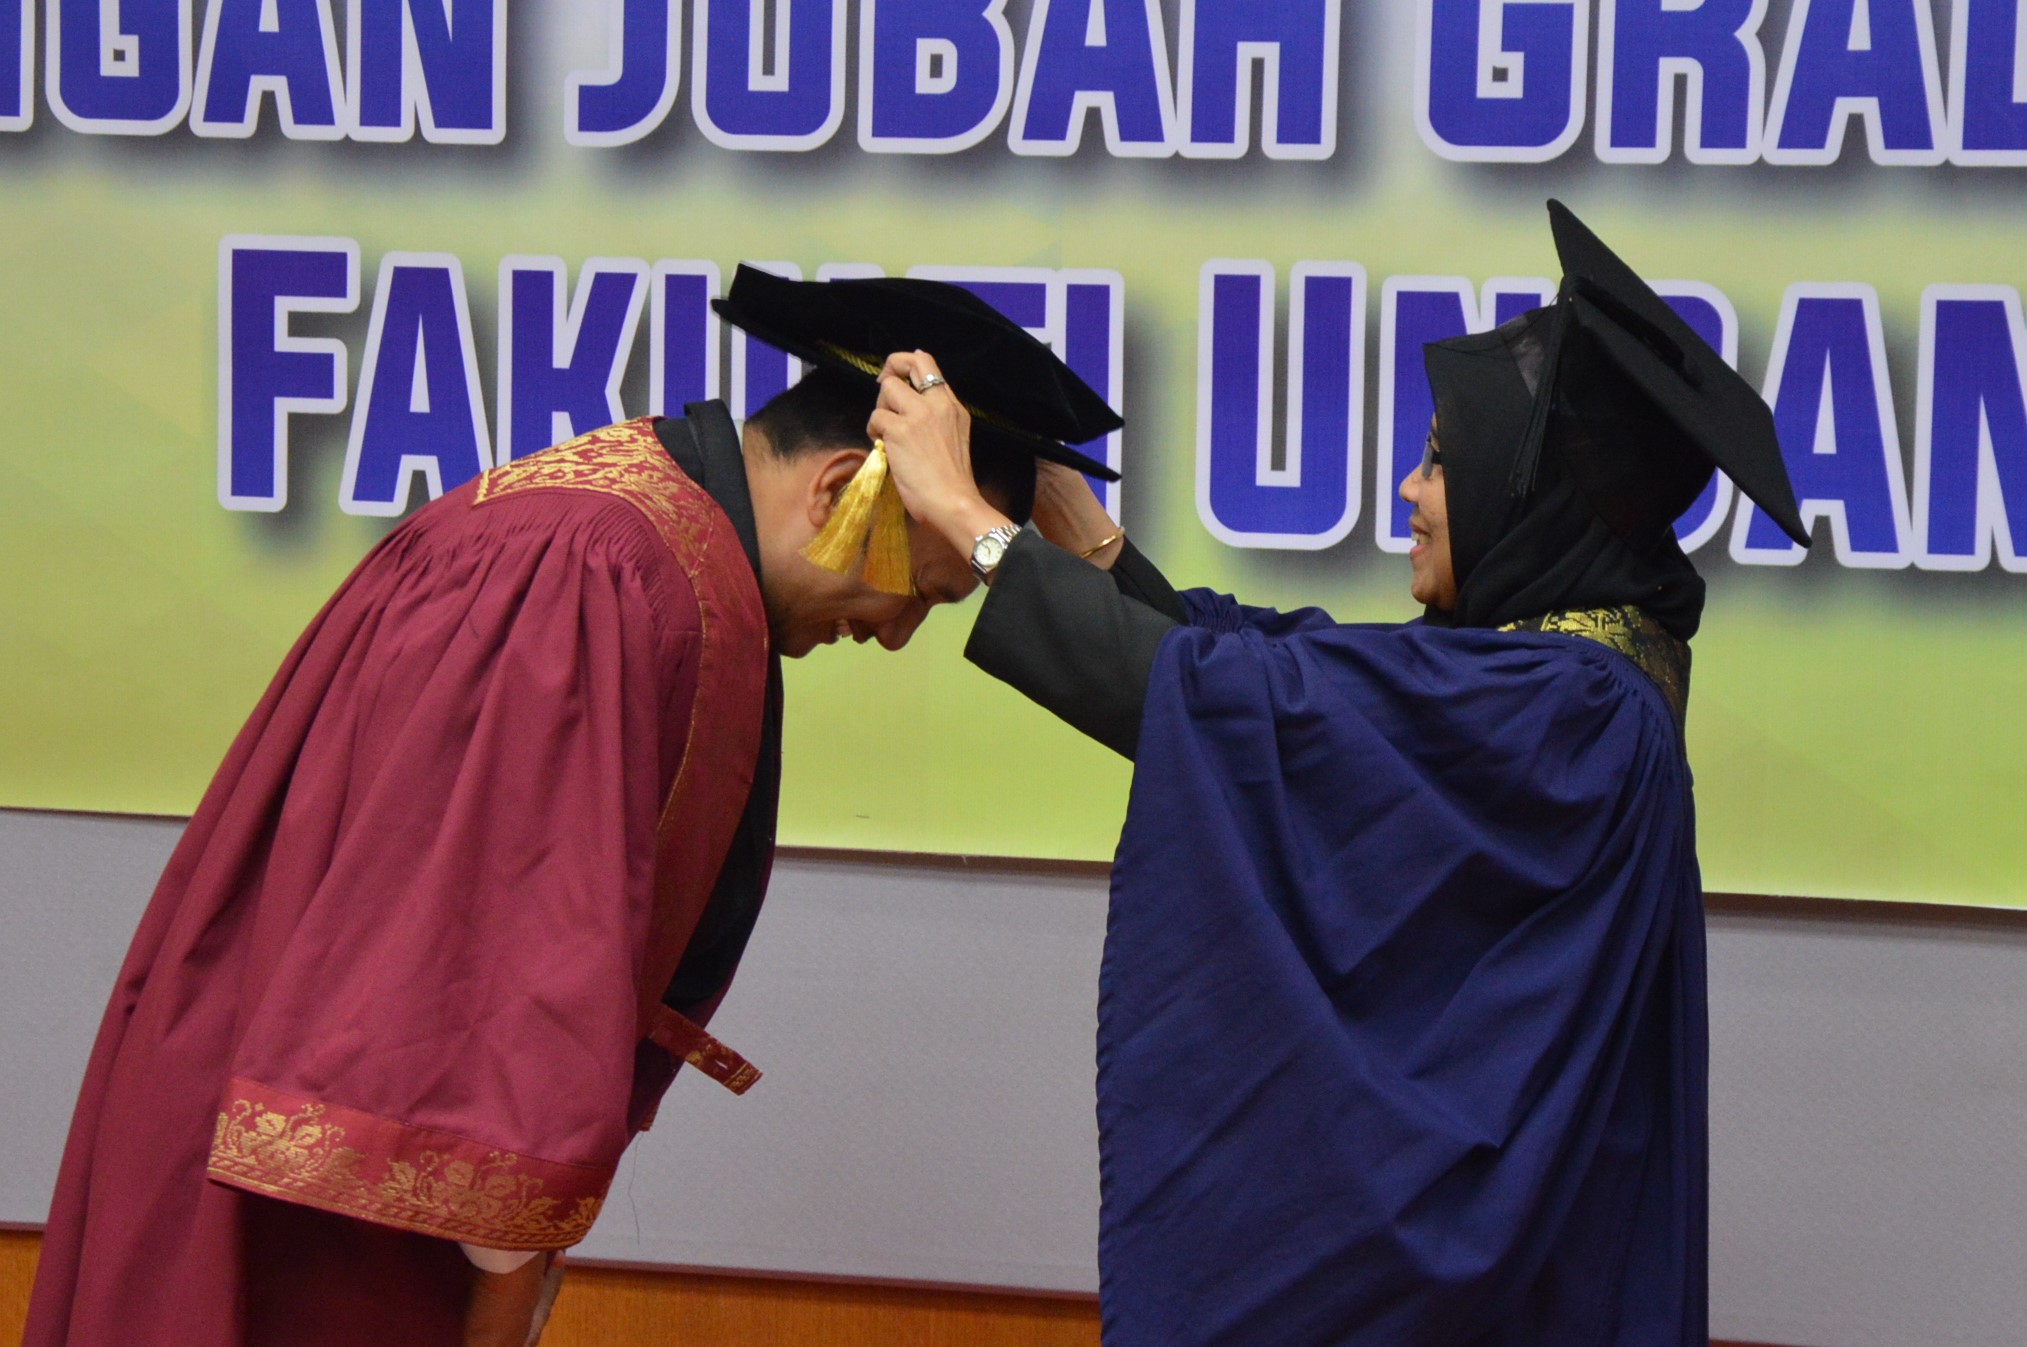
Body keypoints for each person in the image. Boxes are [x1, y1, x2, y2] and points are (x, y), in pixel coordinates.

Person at [22, 267, 1121, 1347]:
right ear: (839, 491)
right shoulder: (595, 572)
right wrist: (504, 1297)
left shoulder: (645, 539)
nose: (896, 634)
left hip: (312, 1124)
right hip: (327, 1200)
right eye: (919, 590)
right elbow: (498, 979)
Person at [876, 202, 1814, 1346]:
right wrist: (1075, 531)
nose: (1411, 492)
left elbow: (1246, 707)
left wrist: (965, 519)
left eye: (1440, 461)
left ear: (1530, 495)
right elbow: (1278, 678)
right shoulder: (1559, 670)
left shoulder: (1566, 708)